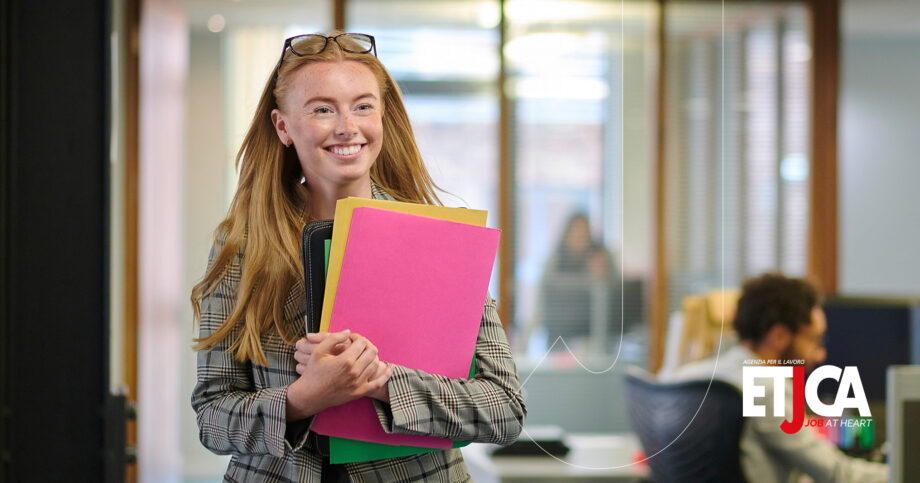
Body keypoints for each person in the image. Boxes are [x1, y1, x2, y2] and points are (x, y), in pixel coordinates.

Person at [190, 32, 525, 482]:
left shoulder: (438, 240)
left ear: (382, 116)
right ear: (283, 127)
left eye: (363, 106)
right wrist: (302, 399)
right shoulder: (242, 244)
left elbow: (505, 409)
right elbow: (212, 419)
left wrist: (378, 380)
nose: (347, 126)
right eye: (322, 109)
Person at [664, 273, 888, 483]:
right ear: (779, 336)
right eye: (814, 340)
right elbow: (837, 474)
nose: (821, 354)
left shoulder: (686, 375)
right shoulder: (769, 388)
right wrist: (901, 472)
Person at [530, 212, 620, 353]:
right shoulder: (554, 262)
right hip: (558, 342)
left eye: (584, 235)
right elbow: (540, 305)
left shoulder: (600, 257)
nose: (580, 239)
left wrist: (600, 274)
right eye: (576, 234)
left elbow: (614, 292)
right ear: (567, 235)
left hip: (593, 341)